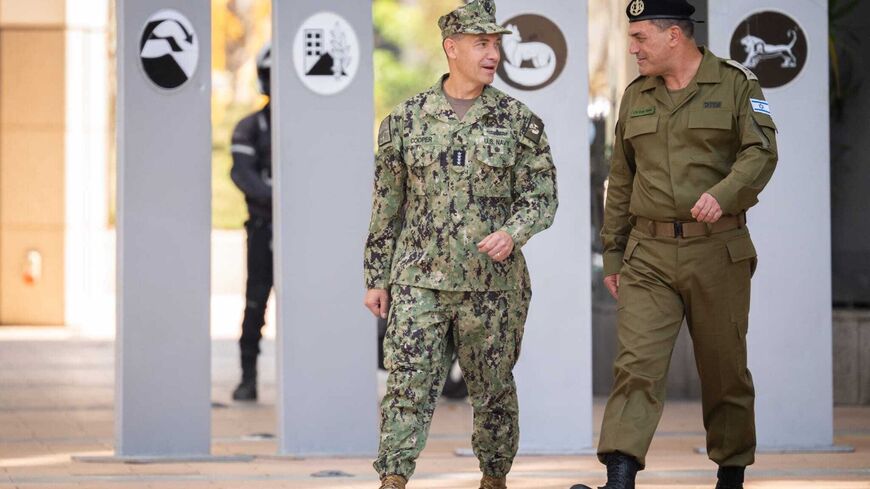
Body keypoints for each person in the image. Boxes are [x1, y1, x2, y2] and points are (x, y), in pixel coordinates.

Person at [570, 1, 778, 489]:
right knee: (635, 367)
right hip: (649, 254)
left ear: (674, 37)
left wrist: (723, 195)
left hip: (718, 250)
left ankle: (731, 475)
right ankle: (619, 479)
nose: (632, 47)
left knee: (724, 370)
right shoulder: (636, 95)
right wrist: (614, 253)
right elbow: (621, 180)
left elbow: (762, 151)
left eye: (640, 37)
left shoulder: (736, 84)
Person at [363, 1, 558, 488]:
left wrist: (513, 233)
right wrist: (376, 278)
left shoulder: (519, 122)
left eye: (496, 45)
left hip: (491, 288)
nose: (493, 54)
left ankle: (494, 480)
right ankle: (392, 480)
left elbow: (542, 197)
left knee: (493, 393)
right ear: (452, 48)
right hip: (417, 281)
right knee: (406, 388)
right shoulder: (404, 121)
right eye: (481, 44)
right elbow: (387, 207)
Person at [229, 43, 273, 402]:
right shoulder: (251, 127)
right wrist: (281, 200)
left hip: (304, 237)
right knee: (255, 303)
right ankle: (248, 376)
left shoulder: (312, 129)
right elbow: (243, 175)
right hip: (264, 231)